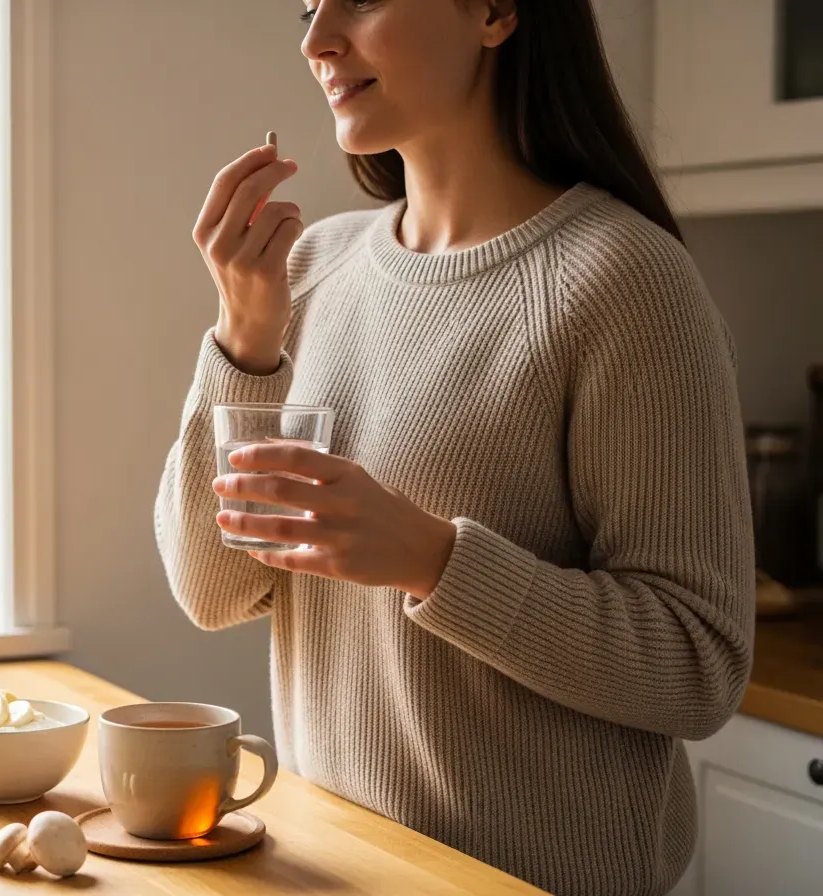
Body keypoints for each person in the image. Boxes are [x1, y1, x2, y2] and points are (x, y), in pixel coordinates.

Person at [154, 1, 756, 893]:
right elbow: (213, 590)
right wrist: (245, 338)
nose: (316, 39)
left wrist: (433, 560)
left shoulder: (623, 281)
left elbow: (696, 664)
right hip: (332, 868)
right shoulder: (312, 267)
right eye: (309, 4)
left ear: (495, 11)